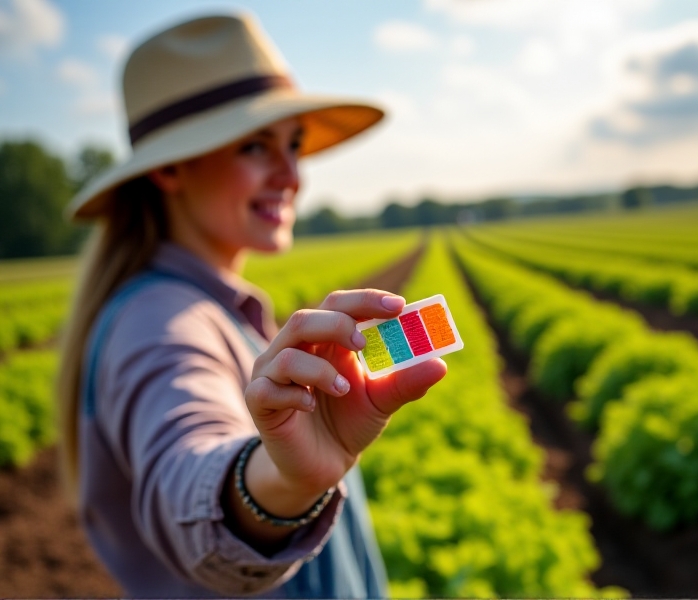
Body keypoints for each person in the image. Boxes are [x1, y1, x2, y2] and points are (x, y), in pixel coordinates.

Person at [56, 12, 447, 598]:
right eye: (256, 146)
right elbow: (186, 466)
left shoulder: (206, 307)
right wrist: (279, 483)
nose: (292, 175)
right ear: (169, 168)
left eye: (293, 144)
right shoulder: (159, 322)